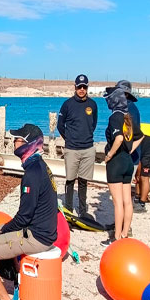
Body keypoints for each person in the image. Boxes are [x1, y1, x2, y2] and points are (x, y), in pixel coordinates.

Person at [0, 124, 57, 300]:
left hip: (36, 236)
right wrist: (4, 229)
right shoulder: (40, 165)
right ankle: (19, 284)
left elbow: (24, 217)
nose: (14, 142)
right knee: (2, 230)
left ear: (28, 144)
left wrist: (3, 231)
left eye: (18, 139)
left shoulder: (32, 174)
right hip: (44, 231)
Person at [57, 74, 98, 218]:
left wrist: (85, 136)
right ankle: (68, 210)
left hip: (87, 148)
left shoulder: (92, 104)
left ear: (87, 88)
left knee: (83, 181)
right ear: (75, 87)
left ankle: (82, 210)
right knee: (70, 180)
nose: (81, 89)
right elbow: (60, 125)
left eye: (84, 87)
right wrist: (69, 139)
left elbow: (93, 123)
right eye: (79, 86)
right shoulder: (67, 104)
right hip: (72, 148)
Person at [102, 87, 137, 246]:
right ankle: (125, 233)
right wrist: (129, 149)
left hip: (116, 162)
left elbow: (119, 138)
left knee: (117, 203)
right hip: (128, 162)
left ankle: (115, 238)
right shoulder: (127, 117)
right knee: (127, 201)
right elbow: (139, 136)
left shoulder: (115, 117)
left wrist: (109, 155)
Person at [114, 80, 147, 213]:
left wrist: (125, 151)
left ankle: (124, 226)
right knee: (123, 193)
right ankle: (120, 222)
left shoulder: (128, 110)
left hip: (127, 156)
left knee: (123, 194)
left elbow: (132, 135)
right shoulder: (127, 107)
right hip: (129, 155)